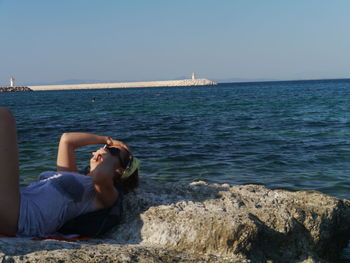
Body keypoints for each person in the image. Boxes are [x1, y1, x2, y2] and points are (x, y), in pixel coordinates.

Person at [0, 107, 140, 237]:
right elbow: (67, 140)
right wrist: (108, 140)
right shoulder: (73, 175)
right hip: (17, 203)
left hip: (21, 218)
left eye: (112, 150)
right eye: (103, 147)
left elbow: (100, 176)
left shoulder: (105, 194)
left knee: (4, 117)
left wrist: (109, 157)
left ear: (119, 170)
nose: (102, 149)